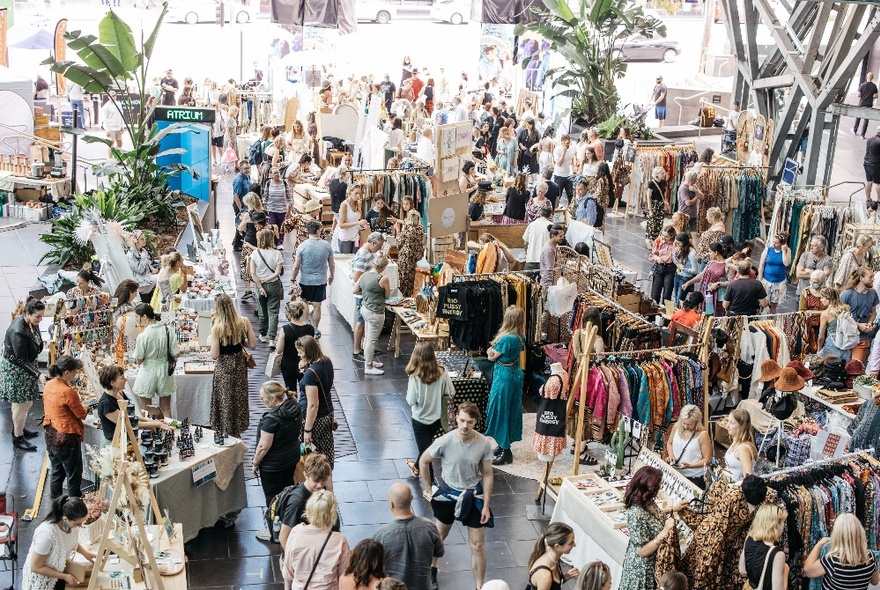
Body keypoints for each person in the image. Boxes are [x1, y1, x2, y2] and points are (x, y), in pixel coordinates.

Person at [419, 402, 494, 589]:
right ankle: (432, 568)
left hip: (472, 495)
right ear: (456, 418)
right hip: (448, 494)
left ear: (476, 422)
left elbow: (487, 474)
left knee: (477, 545)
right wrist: (428, 488)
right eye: (461, 420)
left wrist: (486, 504)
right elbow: (424, 460)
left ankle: (479, 586)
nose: (464, 426)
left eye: (469, 422)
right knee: (439, 536)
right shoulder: (444, 441)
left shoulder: (483, 443)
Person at [253, 381, 302, 542]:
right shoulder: (294, 406)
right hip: (291, 458)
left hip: (273, 466)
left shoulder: (271, 420)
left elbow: (263, 446)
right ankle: (289, 524)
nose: (262, 402)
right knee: (287, 493)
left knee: (273, 499)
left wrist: (255, 463)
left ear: (273, 398)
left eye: (263, 399)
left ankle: (274, 532)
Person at [372, 483, 445, 590]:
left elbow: (374, 565)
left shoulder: (381, 534)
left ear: (391, 504)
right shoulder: (429, 527)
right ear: (411, 499)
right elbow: (439, 552)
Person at [619, 466, 679, 590]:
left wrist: (673, 509)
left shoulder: (648, 502)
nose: (659, 489)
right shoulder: (635, 513)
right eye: (657, 486)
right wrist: (665, 531)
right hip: (641, 571)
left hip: (654, 566)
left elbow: (655, 517)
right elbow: (642, 552)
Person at [405, 342, 455, 479]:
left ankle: (431, 485)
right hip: (437, 418)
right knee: (425, 448)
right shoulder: (442, 372)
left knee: (426, 452)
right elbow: (451, 391)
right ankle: (415, 467)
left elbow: (410, 400)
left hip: (419, 419)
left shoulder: (414, 376)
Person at [22, 496, 95, 590]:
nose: (80, 526)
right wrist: (64, 576)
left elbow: (69, 542)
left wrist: (86, 554)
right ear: (65, 519)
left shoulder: (69, 526)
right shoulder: (46, 535)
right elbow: (35, 567)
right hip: (43, 582)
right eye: (78, 524)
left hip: (58, 574)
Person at [1, 298, 44, 451]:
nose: (40, 319)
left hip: (25, 368)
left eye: (41, 316)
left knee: (23, 403)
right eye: (37, 316)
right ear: (27, 314)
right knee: (23, 403)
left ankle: (19, 427)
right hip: (17, 371)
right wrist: (38, 375)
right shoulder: (18, 330)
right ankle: (18, 437)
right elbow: (20, 359)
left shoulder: (31, 323)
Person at [210, 293, 256, 438]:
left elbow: (214, 355)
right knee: (239, 398)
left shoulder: (217, 327)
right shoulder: (243, 321)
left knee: (225, 399)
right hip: (239, 366)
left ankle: (227, 430)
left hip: (224, 367)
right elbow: (252, 345)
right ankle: (237, 429)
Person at [283, 490, 350, 590]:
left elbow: (288, 572)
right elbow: (344, 574)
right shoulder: (339, 540)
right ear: (332, 514)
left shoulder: (296, 533)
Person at [484, 306, 526, 466]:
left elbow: (491, 357)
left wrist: (490, 351)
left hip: (504, 378)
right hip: (513, 374)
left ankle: (506, 450)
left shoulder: (507, 338)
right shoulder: (520, 337)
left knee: (502, 410)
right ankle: (502, 445)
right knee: (509, 409)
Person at [42, 356, 86, 499]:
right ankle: (74, 504)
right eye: (75, 372)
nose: (76, 375)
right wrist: (85, 407)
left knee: (57, 471)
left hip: (51, 433)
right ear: (67, 372)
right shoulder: (68, 392)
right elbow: (82, 414)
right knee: (73, 474)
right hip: (67, 437)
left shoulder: (49, 385)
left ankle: (56, 503)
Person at [803, 512, 879, 589]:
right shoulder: (870, 557)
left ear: (837, 535)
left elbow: (807, 571)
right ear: (860, 532)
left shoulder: (832, 560)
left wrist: (819, 544)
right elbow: (875, 582)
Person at [277, 453, 336, 551]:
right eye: (316, 481)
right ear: (305, 475)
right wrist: (292, 561)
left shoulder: (319, 491)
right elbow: (283, 536)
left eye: (323, 480)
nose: (320, 485)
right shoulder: (297, 502)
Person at [97, 365, 170, 443]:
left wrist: (148, 420)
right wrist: (156, 424)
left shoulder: (119, 394)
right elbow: (129, 424)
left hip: (124, 441)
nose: (125, 379)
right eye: (122, 378)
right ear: (112, 383)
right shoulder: (106, 404)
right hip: (114, 444)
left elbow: (130, 416)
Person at [132, 303, 179, 418]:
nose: (136, 320)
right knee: (166, 407)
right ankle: (168, 432)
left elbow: (139, 360)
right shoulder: (168, 331)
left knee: (145, 407)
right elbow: (175, 353)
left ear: (144, 316)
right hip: (165, 370)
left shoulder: (143, 336)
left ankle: (149, 432)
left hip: (148, 370)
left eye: (137, 317)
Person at [296, 335, 336, 467]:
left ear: (308, 352)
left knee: (313, 456)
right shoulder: (326, 361)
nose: (299, 354)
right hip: (328, 412)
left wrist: (307, 430)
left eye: (301, 352)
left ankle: (315, 480)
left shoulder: (311, 374)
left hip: (315, 419)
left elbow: (313, 405)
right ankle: (327, 477)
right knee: (326, 450)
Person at [351, 233, 386, 362]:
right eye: (379, 246)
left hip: (366, 294)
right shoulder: (363, 255)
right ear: (373, 243)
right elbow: (357, 278)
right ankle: (356, 351)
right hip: (362, 295)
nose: (379, 249)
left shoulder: (369, 254)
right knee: (360, 322)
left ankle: (366, 347)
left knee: (365, 322)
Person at [354, 256, 392, 376]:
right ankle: (369, 366)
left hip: (365, 309)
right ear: (384, 267)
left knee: (368, 336)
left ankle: (368, 360)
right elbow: (387, 295)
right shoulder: (383, 279)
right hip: (376, 312)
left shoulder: (364, 275)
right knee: (372, 339)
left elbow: (355, 290)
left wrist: (367, 293)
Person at [738, 504, 788, 590]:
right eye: (782, 521)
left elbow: (742, 570)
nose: (783, 525)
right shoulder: (777, 554)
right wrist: (786, 571)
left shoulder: (750, 537)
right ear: (775, 525)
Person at [251, 228, 284, 348]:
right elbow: (277, 273)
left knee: (262, 311)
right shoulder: (277, 254)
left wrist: (260, 286)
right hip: (274, 284)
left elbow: (253, 273)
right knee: (273, 312)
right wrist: (268, 279)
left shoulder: (255, 254)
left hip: (260, 284)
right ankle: (272, 338)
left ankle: (263, 334)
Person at [664, 404, 712, 489]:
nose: (686, 426)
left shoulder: (703, 435)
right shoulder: (676, 427)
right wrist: (671, 455)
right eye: (684, 423)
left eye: (689, 424)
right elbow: (669, 443)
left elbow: (707, 459)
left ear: (697, 422)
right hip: (676, 474)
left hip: (694, 478)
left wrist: (690, 465)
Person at [840, 267, 879, 363]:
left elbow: (873, 312)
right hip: (846, 337)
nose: (873, 279)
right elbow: (840, 316)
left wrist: (870, 323)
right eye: (870, 277)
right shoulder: (847, 294)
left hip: (862, 338)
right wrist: (858, 325)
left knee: (856, 368)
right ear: (861, 278)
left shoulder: (873, 293)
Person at [526, 523, 580, 590]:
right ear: (557, 546)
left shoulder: (553, 557)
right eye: (571, 543)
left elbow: (552, 586)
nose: (574, 545)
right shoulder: (545, 576)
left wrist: (567, 576)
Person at [276, 300, 316, 390]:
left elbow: (279, 350)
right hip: (305, 363)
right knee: (305, 390)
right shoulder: (310, 328)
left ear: (289, 314)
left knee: (291, 391)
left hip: (288, 364)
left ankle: (293, 404)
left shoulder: (285, 329)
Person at [684, 242, 727, 316]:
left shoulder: (726, 266)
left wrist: (718, 284)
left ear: (716, 252)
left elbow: (731, 281)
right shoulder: (711, 262)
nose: (709, 254)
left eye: (710, 252)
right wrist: (689, 282)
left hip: (716, 294)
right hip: (705, 292)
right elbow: (702, 274)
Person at [757, 232, 792, 314]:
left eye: (776, 243)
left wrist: (783, 251)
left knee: (773, 304)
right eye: (773, 242)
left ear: (782, 244)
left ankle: (771, 319)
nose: (773, 244)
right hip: (766, 280)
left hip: (779, 282)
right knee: (763, 303)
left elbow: (786, 263)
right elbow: (761, 265)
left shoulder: (787, 250)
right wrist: (760, 280)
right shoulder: (768, 250)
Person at [818, 287, 852, 360]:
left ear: (828, 298)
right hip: (846, 346)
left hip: (832, 346)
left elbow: (821, 337)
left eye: (822, 298)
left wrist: (819, 349)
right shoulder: (846, 308)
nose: (821, 300)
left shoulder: (826, 314)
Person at [333, 184, 369, 254]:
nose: (358, 196)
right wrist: (358, 223)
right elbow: (341, 225)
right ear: (350, 193)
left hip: (355, 237)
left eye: (360, 193)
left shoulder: (358, 203)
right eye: (356, 193)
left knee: (354, 259)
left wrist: (363, 225)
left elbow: (358, 219)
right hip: (345, 238)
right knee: (346, 260)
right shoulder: (344, 205)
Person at [397, 210, 425, 297]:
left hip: (406, 260)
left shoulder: (407, 230)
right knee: (413, 282)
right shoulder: (421, 230)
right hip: (417, 260)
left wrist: (398, 231)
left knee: (404, 283)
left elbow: (399, 243)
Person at [724, 408, 757, 481]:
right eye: (728, 421)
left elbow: (748, 478)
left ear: (741, 426)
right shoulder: (736, 442)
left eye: (731, 423)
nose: (727, 426)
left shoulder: (743, 449)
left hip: (735, 489)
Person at [649, 226, 677, 305]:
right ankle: (654, 310)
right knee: (655, 293)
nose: (663, 238)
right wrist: (657, 258)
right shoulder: (658, 240)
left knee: (667, 294)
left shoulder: (675, 243)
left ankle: (665, 311)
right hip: (659, 267)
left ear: (672, 236)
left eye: (666, 237)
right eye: (663, 235)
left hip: (670, 268)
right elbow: (652, 254)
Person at [126, 230, 156, 301]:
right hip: (141, 284)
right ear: (136, 241)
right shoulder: (131, 255)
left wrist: (152, 269)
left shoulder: (143, 250)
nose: (144, 240)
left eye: (144, 238)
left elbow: (147, 263)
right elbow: (139, 270)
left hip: (148, 280)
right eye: (142, 239)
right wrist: (143, 258)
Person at [523, 205, 554, 271]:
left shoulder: (531, 225)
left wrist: (527, 253)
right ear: (550, 216)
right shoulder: (552, 226)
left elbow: (525, 243)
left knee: (528, 280)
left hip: (531, 260)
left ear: (539, 214)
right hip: (545, 261)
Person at [673, 232, 699, 307]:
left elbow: (695, 270)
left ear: (684, 242)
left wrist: (683, 268)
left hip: (685, 278)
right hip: (677, 274)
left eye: (678, 243)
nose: (677, 245)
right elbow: (675, 259)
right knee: (676, 299)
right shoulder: (681, 249)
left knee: (679, 300)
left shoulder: (692, 253)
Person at [645, 166, 668, 248]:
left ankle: (657, 239)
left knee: (659, 223)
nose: (664, 174)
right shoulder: (651, 183)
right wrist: (650, 209)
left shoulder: (663, 182)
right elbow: (648, 196)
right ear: (657, 174)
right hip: (653, 205)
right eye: (662, 173)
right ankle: (648, 240)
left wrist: (665, 203)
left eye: (663, 173)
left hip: (660, 204)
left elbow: (664, 193)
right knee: (651, 223)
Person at [853, 73, 878, 139]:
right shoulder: (874, 86)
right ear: (872, 78)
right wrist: (871, 96)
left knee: (858, 117)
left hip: (862, 103)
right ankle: (862, 134)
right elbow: (876, 96)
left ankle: (855, 130)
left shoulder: (862, 85)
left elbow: (858, 95)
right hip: (869, 104)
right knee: (866, 119)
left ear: (867, 77)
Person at [101, 90, 124, 155]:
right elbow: (104, 119)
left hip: (118, 126)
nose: (113, 97)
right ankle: (110, 159)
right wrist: (107, 130)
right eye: (112, 96)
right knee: (111, 144)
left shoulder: (118, 104)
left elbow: (121, 115)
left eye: (114, 96)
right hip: (111, 127)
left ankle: (118, 159)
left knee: (120, 143)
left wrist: (122, 125)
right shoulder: (106, 106)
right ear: (109, 97)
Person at [863, 126, 880, 202]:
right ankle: (879, 199)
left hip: (867, 162)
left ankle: (868, 198)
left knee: (869, 181)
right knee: (879, 183)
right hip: (875, 164)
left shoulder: (870, 139)